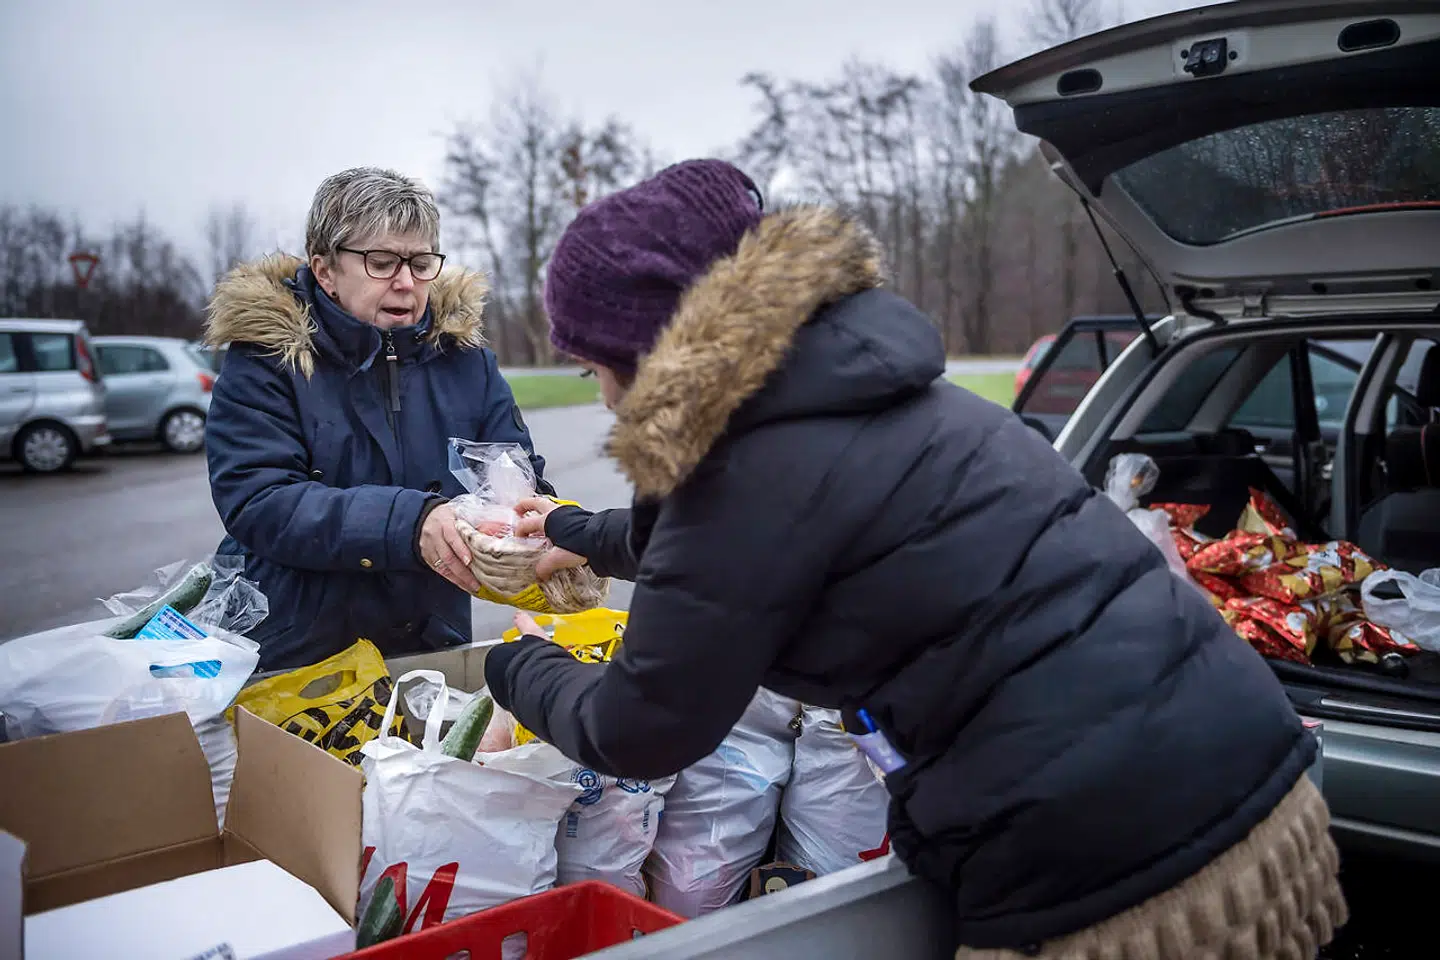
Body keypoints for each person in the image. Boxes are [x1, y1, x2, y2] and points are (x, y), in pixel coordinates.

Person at [484, 160, 1346, 958]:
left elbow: (639, 728)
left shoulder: (741, 477)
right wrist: (572, 530)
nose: (597, 393)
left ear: (652, 354)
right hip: (1255, 774)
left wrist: (514, 664)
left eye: (597, 366)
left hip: (1119, 873)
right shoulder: (879, 395)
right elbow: (714, 544)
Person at [205, 166, 552, 671]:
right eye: (383, 262)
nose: (406, 282)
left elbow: (513, 471)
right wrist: (410, 523)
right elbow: (258, 500)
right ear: (326, 271)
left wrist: (540, 519)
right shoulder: (268, 357)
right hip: (301, 652)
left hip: (431, 644)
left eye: (420, 261)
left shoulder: (465, 358)